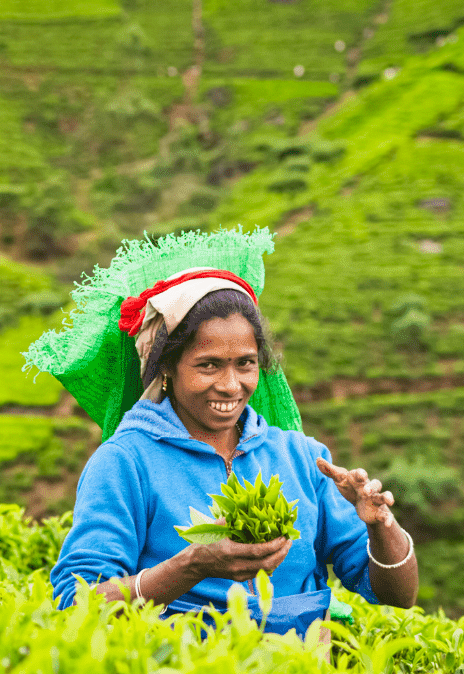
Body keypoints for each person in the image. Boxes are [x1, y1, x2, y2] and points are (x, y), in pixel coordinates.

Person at [25, 230, 417, 631]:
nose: (231, 385)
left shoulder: (302, 458)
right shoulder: (125, 462)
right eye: (208, 365)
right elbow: (76, 603)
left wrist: (381, 525)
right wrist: (191, 565)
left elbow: (398, 595)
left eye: (245, 363)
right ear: (166, 368)